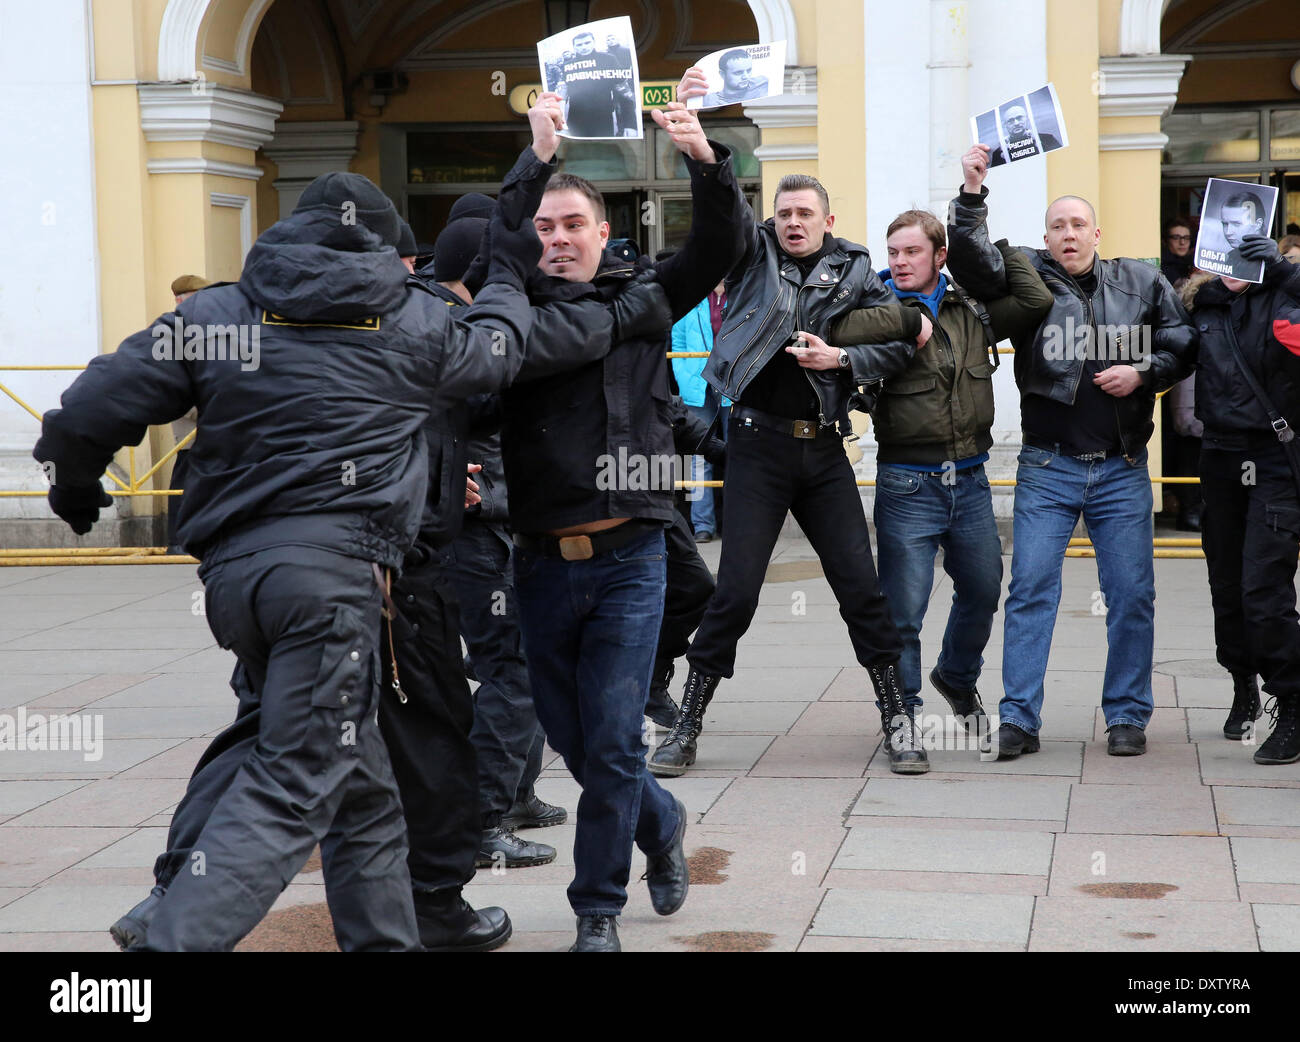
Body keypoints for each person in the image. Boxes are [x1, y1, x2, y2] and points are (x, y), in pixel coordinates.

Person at [34, 163, 546, 951]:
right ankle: (171, 944)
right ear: (383, 248)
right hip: (337, 582)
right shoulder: (414, 322)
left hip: (239, 583)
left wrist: (75, 488)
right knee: (294, 780)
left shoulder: (216, 313)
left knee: (363, 784)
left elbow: (87, 413)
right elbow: (502, 348)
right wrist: (509, 272)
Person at [492, 92, 744, 951]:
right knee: (575, 741)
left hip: (630, 555)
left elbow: (720, 244)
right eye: (545, 225)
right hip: (537, 560)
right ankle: (663, 819)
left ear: (602, 233)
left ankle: (595, 909)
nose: (557, 237)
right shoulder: (510, 314)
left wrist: (702, 158)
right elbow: (494, 246)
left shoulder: (646, 298)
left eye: (573, 224)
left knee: (609, 738)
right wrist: (535, 153)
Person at [651, 66, 934, 779]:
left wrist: (842, 359)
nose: (795, 221)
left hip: (823, 454)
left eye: (807, 213)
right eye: (786, 214)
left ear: (829, 221)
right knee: (735, 593)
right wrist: (703, 152)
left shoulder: (859, 270)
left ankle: (899, 718)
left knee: (862, 592)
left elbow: (899, 337)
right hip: (755, 451)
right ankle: (685, 725)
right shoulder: (752, 255)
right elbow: (725, 213)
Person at [946, 143, 1197, 760]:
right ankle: (1020, 719)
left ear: (1097, 233)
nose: (1068, 234)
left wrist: (1144, 373)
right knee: (1030, 589)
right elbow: (975, 265)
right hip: (1048, 466)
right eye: (1057, 225)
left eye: (1077, 224)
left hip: (1122, 468)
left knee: (1132, 593)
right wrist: (973, 194)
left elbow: (1183, 340)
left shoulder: (1140, 279)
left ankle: (1127, 715)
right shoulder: (1029, 276)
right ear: (1047, 236)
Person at [830, 179, 1052, 741]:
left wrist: (993, 250)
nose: (900, 262)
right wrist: (906, 320)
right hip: (907, 483)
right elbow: (836, 331)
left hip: (971, 480)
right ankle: (901, 714)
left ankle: (956, 675)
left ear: (940, 256)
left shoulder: (969, 310)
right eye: (894, 252)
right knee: (903, 612)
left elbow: (1034, 301)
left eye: (912, 252)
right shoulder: (874, 308)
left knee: (982, 589)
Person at [1185, 235, 1300, 759]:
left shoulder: (1284, 293)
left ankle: (1293, 703)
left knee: (1264, 586)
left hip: (1274, 457)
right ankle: (1242, 685)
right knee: (1226, 582)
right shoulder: (1201, 303)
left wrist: (1279, 270)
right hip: (1221, 455)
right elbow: (1165, 347)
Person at [670, 280, 729, 540]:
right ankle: (703, 525)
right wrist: (684, 377)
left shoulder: (741, 291)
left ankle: (735, 522)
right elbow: (678, 340)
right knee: (698, 455)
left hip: (733, 383)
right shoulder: (692, 293)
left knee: (739, 452)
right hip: (697, 384)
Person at [557, 30, 628, 138]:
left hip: (602, 116)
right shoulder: (568, 65)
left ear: (594, 42)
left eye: (587, 43)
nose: (584, 47)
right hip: (576, 117)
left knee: (604, 149)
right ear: (574, 47)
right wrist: (560, 120)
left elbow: (622, 87)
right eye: (579, 45)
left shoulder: (609, 59)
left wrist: (629, 123)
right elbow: (563, 92)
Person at [989, 103, 1062, 166]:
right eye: (1010, 121)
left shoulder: (1047, 139)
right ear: (1005, 125)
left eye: (1019, 118)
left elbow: (1061, 160)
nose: (1016, 123)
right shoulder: (999, 153)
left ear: (1027, 118)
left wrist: (1041, 144)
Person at [1218, 190, 1268, 280]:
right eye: (1225, 224)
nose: (1228, 232)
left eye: (1236, 224)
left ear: (1258, 224)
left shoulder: (1271, 262)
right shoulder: (1233, 257)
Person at [701, 49, 769, 108]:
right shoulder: (710, 100)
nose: (746, 77)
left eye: (748, 70)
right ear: (722, 74)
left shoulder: (763, 83)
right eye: (738, 73)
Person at [1160, 217, 1195, 289]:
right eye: (1176, 237)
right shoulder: (1163, 265)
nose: (1182, 242)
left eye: (1186, 238)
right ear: (1165, 241)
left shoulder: (1190, 262)